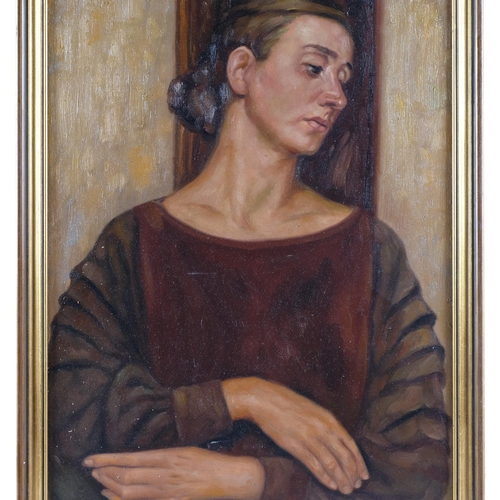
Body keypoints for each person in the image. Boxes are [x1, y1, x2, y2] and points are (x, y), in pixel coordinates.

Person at [48, 1, 450, 499]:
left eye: (343, 76)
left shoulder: (371, 250)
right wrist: (247, 398)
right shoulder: (132, 242)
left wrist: (253, 481)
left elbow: (419, 466)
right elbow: (72, 419)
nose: (337, 96)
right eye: (314, 68)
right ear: (241, 70)